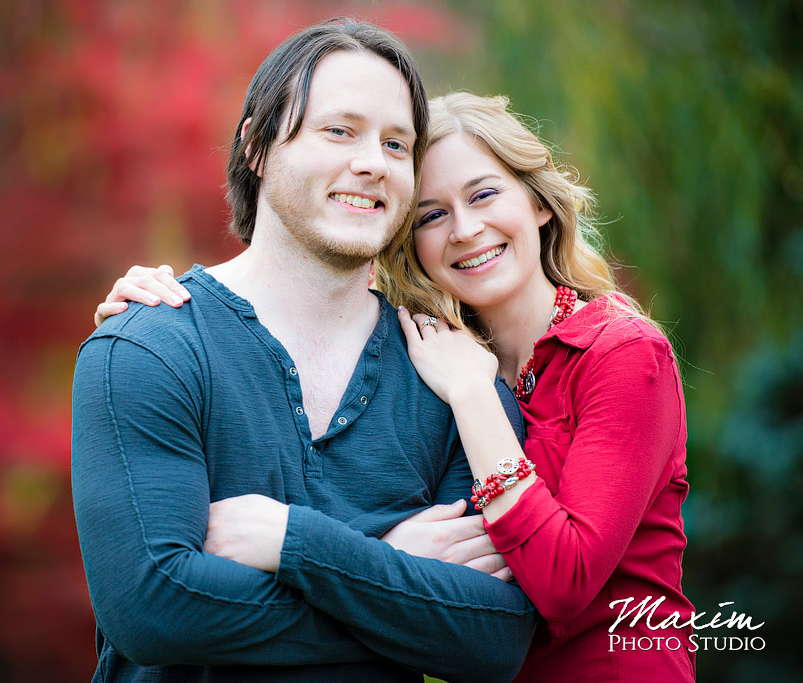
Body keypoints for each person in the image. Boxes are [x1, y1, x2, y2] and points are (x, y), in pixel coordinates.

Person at [98, 92, 694, 681]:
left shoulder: (621, 354)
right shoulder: (428, 356)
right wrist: (145, 328)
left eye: (484, 194)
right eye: (432, 215)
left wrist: (473, 398)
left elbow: (562, 583)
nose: (465, 229)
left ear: (539, 203)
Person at [71, 19, 537, 683]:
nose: (373, 161)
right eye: (339, 131)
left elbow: (494, 637)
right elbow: (152, 608)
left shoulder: (455, 377)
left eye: (397, 143)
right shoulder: (149, 346)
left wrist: (301, 546)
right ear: (258, 145)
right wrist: (393, 571)